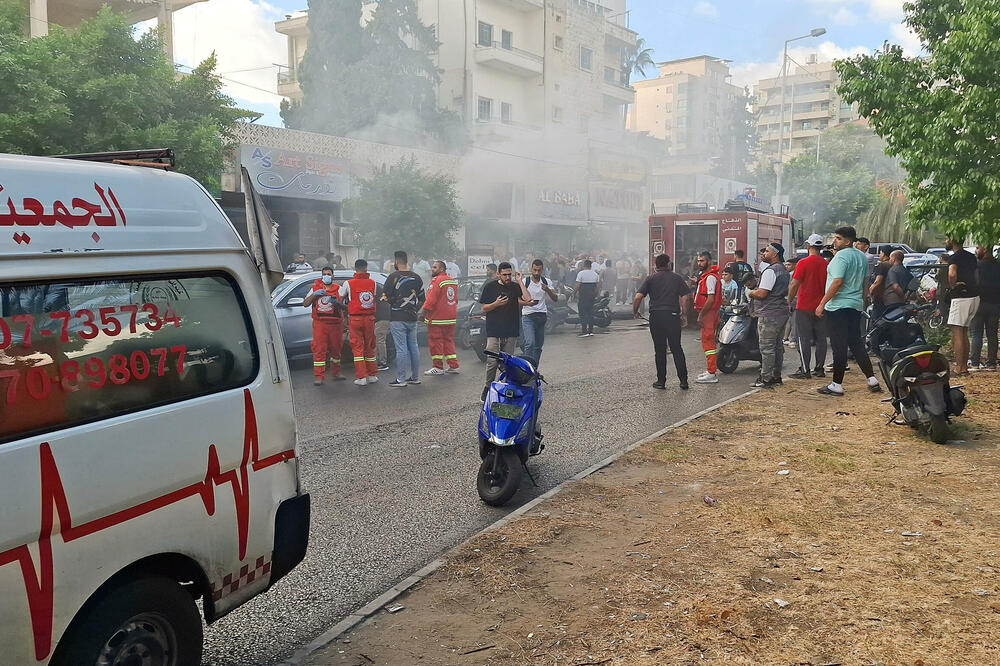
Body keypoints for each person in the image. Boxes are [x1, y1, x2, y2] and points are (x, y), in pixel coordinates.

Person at [815, 226, 882, 396]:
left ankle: (836, 384)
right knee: (856, 342)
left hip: (838, 306)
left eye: (838, 238)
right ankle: (871, 379)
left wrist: (822, 303)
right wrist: (864, 297)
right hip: (854, 305)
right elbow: (866, 281)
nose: (834, 241)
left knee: (839, 345)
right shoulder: (861, 257)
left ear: (848, 241)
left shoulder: (840, 257)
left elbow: (837, 282)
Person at [634, 253, 690, 390]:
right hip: (672, 316)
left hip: (656, 317)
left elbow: (638, 297)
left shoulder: (651, 278)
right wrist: (684, 314)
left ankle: (661, 381)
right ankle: (683, 381)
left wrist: (635, 311)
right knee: (676, 348)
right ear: (668, 264)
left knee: (659, 350)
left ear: (656, 265)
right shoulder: (677, 278)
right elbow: (686, 297)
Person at [479, 262, 532, 400]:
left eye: (509, 274)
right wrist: (496, 304)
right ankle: (487, 387)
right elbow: (484, 308)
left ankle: (507, 388)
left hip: (511, 330)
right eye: (504, 275)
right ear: (498, 274)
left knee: (508, 363)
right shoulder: (490, 287)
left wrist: (520, 281)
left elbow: (527, 299)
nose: (507, 277)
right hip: (494, 330)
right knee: (492, 361)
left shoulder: (515, 287)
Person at [748, 244, 790, 388]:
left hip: (769, 313)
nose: (763, 253)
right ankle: (776, 376)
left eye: (766, 251)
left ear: (774, 254)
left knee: (767, 347)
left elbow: (762, 293)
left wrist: (751, 292)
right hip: (781, 312)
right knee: (777, 346)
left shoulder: (770, 271)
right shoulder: (783, 270)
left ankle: (765, 378)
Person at [787, 234, 828, 379]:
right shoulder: (826, 264)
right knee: (821, 338)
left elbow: (795, 283)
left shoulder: (803, 263)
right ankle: (819, 368)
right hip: (822, 306)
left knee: (803, 338)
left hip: (804, 305)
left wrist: (789, 300)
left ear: (808, 246)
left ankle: (805, 369)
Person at [382, 250, 425, 388]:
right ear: (406, 261)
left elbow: (386, 297)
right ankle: (415, 377)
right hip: (412, 317)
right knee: (414, 346)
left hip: (397, 318)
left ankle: (401, 379)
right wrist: (414, 310)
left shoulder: (393, 277)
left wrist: (396, 305)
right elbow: (422, 299)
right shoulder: (417, 278)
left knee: (401, 349)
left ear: (396, 261)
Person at [302, 266, 346, 386]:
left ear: (333, 276)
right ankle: (319, 376)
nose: (326, 276)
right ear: (322, 276)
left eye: (329, 274)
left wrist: (338, 304)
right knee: (319, 349)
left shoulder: (340, 289)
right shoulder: (315, 288)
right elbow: (305, 303)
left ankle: (336, 373)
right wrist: (314, 295)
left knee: (336, 350)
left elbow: (346, 307)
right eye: (324, 274)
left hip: (336, 325)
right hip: (320, 324)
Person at [340, 259, 380, 386]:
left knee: (357, 348)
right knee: (370, 346)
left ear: (355, 268)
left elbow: (340, 297)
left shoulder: (348, 283)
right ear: (366, 268)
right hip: (369, 319)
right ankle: (373, 375)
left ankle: (361, 377)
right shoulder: (373, 283)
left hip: (355, 319)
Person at [945, 238, 980, 375]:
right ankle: (964, 366)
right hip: (974, 296)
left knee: (957, 331)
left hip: (961, 297)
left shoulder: (954, 257)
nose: (946, 241)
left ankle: (959, 368)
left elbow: (952, 273)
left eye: (947, 238)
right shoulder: (971, 256)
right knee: (964, 331)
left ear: (952, 240)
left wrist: (953, 285)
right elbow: (977, 275)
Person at [422, 260, 460, 375]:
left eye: (434, 267)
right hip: (451, 317)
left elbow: (431, 300)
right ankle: (453, 365)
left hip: (437, 318)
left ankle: (437, 367)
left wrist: (423, 313)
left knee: (435, 342)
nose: (432, 269)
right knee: (448, 341)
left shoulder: (436, 281)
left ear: (441, 269)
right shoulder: (452, 281)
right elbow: (455, 300)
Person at [521, 259, 559, 366]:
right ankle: (525, 367)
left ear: (542, 270)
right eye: (534, 270)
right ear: (531, 269)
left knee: (538, 346)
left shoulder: (547, 282)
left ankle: (533, 369)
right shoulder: (525, 281)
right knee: (530, 343)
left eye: (539, 270)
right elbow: (518, 299)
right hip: (528, 316)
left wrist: (547, 290)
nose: (536, 273)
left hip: (541, 316)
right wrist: (527, 303)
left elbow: (555, 298)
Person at [693, 251, 721, 384]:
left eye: (702, 261)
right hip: (709, 313)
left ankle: (711, 372)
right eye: (698, 261)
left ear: (709, 261)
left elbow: (710, 299)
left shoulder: (710, 278)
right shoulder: (707, 276)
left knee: (708, 343)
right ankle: (710, 370)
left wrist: (701, 315)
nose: (699, 263)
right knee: (707, 342)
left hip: (708, 313)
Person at [970, 245, 999, 371]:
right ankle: (991, 363)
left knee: (976, 333)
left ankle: (975, 362)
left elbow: (973, 283)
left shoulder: (977, 266)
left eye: (978, 248)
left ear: (985, 249)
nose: (976, 251)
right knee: (992, 334)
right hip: (995, 303)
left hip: (979, 302)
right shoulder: (998, 266)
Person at [575, 259, 601, 337]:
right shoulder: (595, 274)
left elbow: (578, 285)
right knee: (590, 314)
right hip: (591, 297)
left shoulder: (581, 273)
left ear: (584, 265)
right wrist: (596, 295)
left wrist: (574, 292)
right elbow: (597, 286)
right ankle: (590, 331)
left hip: (583, 296)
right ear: (590, 266)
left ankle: (584, 331)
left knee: (582, 314)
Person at [869, 246, 893, 323]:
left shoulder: (882, 265)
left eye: (880, 253)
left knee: (876, 321)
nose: (879, 255)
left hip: (880, 298)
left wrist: (870, 293)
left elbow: (877, 282)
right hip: (891, 298)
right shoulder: (893, 265)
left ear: (884, 254)